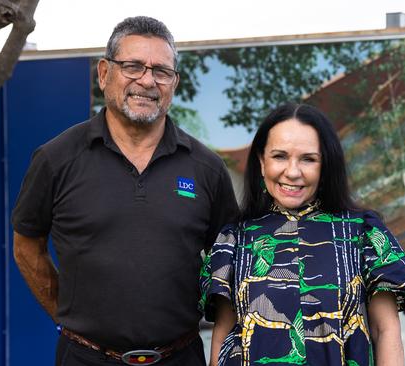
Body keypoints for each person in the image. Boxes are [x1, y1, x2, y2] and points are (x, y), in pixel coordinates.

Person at [12, 16, 239, 366]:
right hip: (85, 358)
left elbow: (230, 268)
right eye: (133, 66)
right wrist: (66, 316)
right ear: (104, 73)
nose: (147, 80)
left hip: (180, 357)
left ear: (173, 83)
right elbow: (26, 246)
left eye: (161, 71)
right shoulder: (56, 159)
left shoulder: (206, 169)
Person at [200, 103, 405, 366]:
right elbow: (224, 335)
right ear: (262, 162)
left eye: (308, 159)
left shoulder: (363, 231)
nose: (293, 171)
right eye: (279, 156)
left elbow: (385, 330)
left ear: (325, 166)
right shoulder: (234, 238)